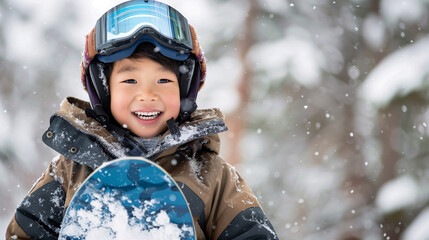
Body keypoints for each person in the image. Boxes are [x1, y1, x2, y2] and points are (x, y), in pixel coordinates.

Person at [6, 0, 278, 239]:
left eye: (163, 80)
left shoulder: (213, 175)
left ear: (185, 92)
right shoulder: (69, 170)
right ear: (104, 91)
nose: (147, 94)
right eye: (130, 80)